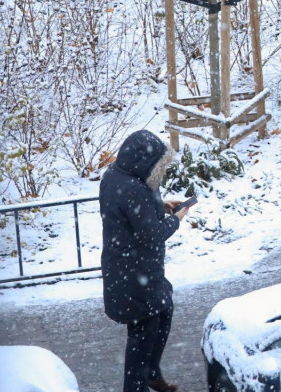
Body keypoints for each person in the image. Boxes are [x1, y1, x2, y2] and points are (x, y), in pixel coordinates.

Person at [100, 130, 188, 392]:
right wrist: (176, 219)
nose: (159, 172)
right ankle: (139, 382)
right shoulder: (133, 188)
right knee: (142, 335)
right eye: (158, 165)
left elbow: (129, 213)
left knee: (164, 308)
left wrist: (160, 207)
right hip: (134, 276)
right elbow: (152, 235)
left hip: (131, 270)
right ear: (144, 162)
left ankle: (151, 373)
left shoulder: (117, 176)